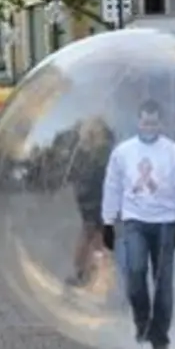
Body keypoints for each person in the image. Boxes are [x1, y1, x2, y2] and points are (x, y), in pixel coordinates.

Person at [101, 100, 175, 349]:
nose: (149, 127)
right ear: (137, 121)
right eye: (145, 121)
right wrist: (108, 221)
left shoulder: (174, 152)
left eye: (153, 122)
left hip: (166, 221)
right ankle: (142, 321)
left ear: (161, 123)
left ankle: (160, 337)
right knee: (135, 273)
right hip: (135, 221)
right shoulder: (124, 152)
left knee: (163, 282)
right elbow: (113, 186)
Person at [69, 118, 115, 286]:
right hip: (97, 198)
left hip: (88, 198)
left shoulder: (83, 150)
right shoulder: (102, 151)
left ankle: (82, 272)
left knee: (89, 234)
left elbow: (77, 176)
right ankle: (95, 275)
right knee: (98, 237)